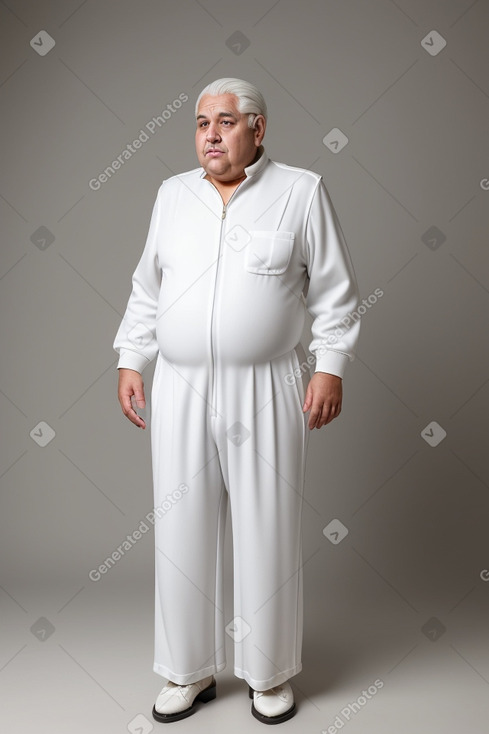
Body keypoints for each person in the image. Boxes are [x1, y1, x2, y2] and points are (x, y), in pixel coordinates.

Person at [114, 77, 360, 725]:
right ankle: (186, 671)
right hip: (180, 382)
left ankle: (268, 673)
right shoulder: (172, 196)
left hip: (267, 383)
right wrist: (130, 359)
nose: (211, 134)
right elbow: (147, 286)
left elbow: (333, 292)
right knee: (179, 530)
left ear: (258, 128)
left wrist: (329, 366)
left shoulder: (300, 192)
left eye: (225, 121)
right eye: (200, 123)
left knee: (266, 527)